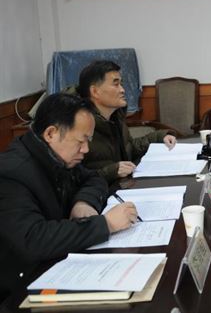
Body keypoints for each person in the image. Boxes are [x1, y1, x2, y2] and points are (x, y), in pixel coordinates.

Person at [0, 93, 139, 302]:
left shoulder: (57, 155)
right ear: (51, 133)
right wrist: (106, 224)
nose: (86, 149)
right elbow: (33, 240)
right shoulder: (11, 173)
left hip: (58, 264)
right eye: (81, 140)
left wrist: (83, 202)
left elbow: (94, 178)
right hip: (20, 290)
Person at [77, 60, 177, 184]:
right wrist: (111, 172)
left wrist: (160, 137)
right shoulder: (78, 126)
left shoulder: (115, 117)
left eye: (121, 84)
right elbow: (74, 179)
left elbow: (130, 149)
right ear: (95, 91)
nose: (122, 90)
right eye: (116, 84)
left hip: (123, 186)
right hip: (103, 192)